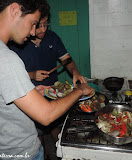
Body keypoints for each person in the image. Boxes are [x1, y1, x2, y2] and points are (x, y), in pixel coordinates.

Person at [0, 1, 95, 160]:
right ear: (15, 10)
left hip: (10, 142)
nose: (33, 31)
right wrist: (80, 90)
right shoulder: (7, 57)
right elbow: (46, 115)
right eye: (34, 24)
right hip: (19, 152)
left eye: (42, 25)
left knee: (55, 129)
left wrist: (75, 72)